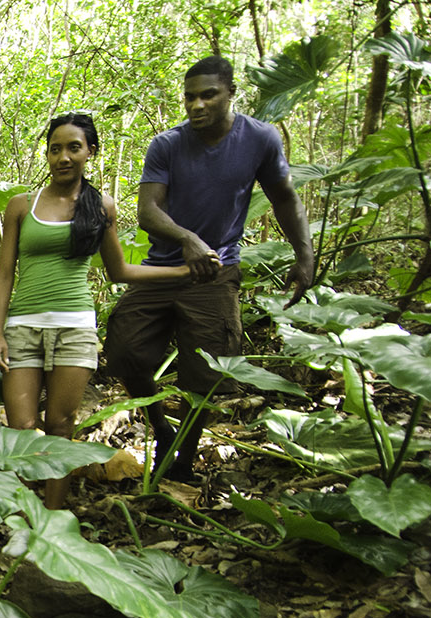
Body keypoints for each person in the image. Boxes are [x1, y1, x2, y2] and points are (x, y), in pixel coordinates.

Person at [106, 55, 315, 482]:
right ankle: (164, 432)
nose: (196, 105)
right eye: (189, 97)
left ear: (230, 94)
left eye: (208, 95)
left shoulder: (260, 139)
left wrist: (305, 254)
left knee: (205, 374)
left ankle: (183, 460)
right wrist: (187, 238)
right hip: (162, 269)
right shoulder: (168, 144)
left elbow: (284, 198)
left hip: (217, 273)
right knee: (124, 351)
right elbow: (148, 211)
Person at [0, 112, 210, 509]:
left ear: (90, 151)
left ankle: (52, 518)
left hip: (74, 327)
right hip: (23, 326)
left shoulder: (100, 206)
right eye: (55, 149)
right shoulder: (21, 205)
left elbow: (119, 270)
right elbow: (5, 274)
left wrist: (182, 269)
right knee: (21, 428)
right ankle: (21, 513)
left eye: (74, 148)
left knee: (60, 426)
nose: (63, 157)